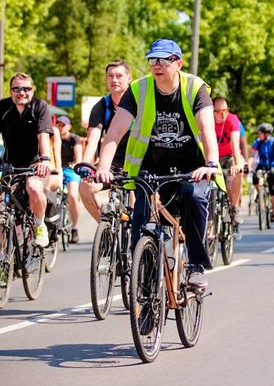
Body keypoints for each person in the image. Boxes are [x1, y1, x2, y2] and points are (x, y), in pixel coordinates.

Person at [95, 39, 222, 289]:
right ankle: (143, 281)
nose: (157, 65)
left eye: (164, 60)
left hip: (192, 169)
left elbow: (207, 129)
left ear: (178, 63)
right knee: (141, 221)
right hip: (151, 169)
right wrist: (103, 167)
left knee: (193, 199)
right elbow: (114, 133)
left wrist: (210, 163)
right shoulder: (138, 89)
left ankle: (196, 265)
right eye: (153, 60)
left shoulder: (194, 88)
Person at [0, 72, 54, 247]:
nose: (21, 92)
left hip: (35, 165)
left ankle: (39, 225)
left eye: (26, 89)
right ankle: (3, 252)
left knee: (33, 187)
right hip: (10, 166)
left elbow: (43, 136)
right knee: (1, 208)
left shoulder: (39, 106)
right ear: (10, 91)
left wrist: (45, 160)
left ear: (32, 90)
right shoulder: (3, 107)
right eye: (16, 89)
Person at [79, 60, 133, 223]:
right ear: (106, 79)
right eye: (110, 76)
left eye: (119, 76)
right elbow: (93, 139)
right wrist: (85, 165)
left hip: (137, 161)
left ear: (129, 78)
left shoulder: (140, 102)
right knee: (85, 187)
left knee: (137, 200)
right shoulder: (102, 106)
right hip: (111, 163)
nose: (114, 80)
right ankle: (105, 228)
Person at [212, 97, 244, 222]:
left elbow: (235, 144)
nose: (223, 114)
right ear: (212, 111)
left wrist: (237, 164)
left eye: (226, 110)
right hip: (214, 156)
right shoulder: (207, 119)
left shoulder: (232, 119)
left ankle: (235, 207)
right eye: (219, 111)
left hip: (229, 155)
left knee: (237, 172)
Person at [250, 122, 274, 222]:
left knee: (273, 189)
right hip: (262, 165)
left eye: (260, 133)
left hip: (273, 167)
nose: (258, 135)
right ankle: (260, 193)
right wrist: (248, 165)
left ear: (267, 134)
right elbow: (252, 156)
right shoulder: (258, 142)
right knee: (255, 178)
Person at [56, 116, 83, 242]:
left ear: (69, 127)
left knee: (72, 196)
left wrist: (77, 164)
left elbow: (78, 155)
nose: (60, 127)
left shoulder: (74, 138)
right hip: (57, 169)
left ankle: (74, 228)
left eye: (63, 125)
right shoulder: (53, 137)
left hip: (71, 169)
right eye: (58, 124)